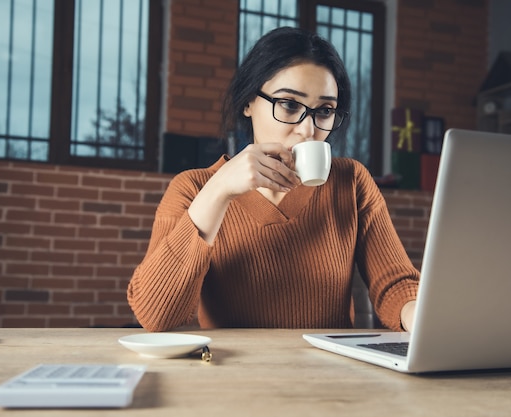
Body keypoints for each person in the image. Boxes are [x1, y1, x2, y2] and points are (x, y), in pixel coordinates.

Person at [127, 27, 419, 332]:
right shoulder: (192, 189)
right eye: (290, 105)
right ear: (248, 102)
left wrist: (418, 317)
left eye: (325, 110)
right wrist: (218, 191)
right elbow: (156, 316)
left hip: (330, 375)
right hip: (234, 375)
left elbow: (396, 285)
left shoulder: (351, 182)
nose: (308, 130)